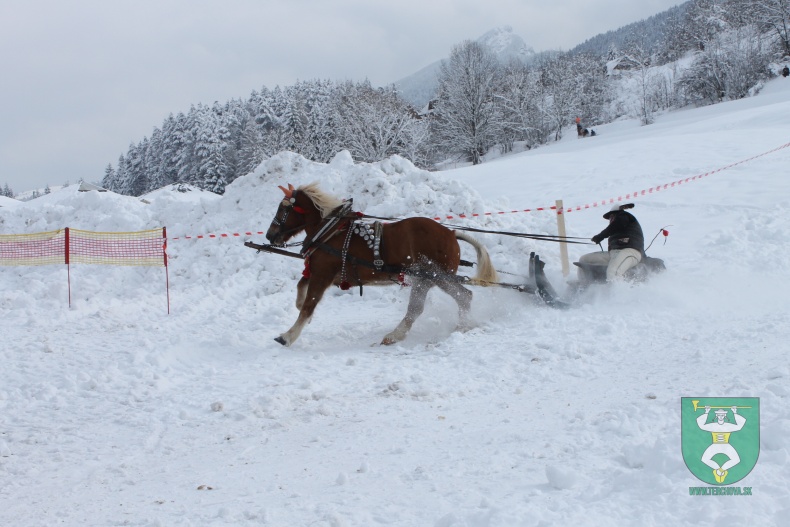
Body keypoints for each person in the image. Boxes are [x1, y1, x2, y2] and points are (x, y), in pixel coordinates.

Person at [578, 203, 644, 282]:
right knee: (584, 260)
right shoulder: (616, 227)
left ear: (617, 214)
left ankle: (617, 293)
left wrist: (600, 236)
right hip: (614, 254)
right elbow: (613, 227)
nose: (610, 219)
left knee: (613, 272)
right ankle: (582, 285)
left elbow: (616, 225)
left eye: (611, 216)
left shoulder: (624, 216)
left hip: (630, 252)